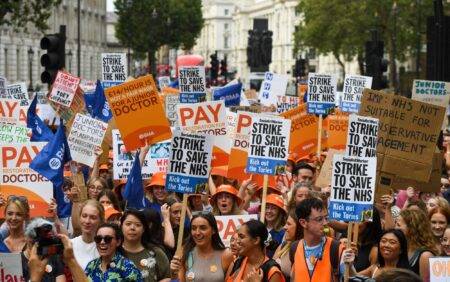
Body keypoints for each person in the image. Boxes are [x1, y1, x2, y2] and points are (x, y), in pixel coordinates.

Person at [291, 197, 344, 282]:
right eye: (319, 219)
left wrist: (350, 268)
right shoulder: (294, 248)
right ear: (303, 223)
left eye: (326, 218)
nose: (325, 223)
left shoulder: (337, 248)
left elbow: (351, 277)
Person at [170, 212, 233, 282]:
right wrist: (174, 274)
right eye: (193, 228)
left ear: (213, 230)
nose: (197, 233)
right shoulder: (184, 252)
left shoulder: (226, 255)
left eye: (203, 228)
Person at [120, 209, 171, 282]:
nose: (132, 228)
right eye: (128, 224)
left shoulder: (156, 253)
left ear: (144, 229)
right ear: (121, 226)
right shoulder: (113, 252)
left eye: (138, 225)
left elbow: (168, 278)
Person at [396, 209, 438, 281]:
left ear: (411, 228)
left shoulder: (425, 256)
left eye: (398, 225)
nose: (395, 228)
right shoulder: (401, 249)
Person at [71, 199, 104, 270]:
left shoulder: (105, 246)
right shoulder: (70, 244)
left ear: (100, 221)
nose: (87, 221)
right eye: (84, 216)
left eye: (93, 217)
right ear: (79, 217)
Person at [273, 209, 303, 281]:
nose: (284, 227)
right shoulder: (284, 245)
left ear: (299, 228)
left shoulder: (304, 251)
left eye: (289, 224)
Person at [264, 194, 287, 258]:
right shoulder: (257, 227)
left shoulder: (283, 233)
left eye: (273, 208)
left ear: (280, 212)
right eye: (267, 207)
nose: (269, 211)